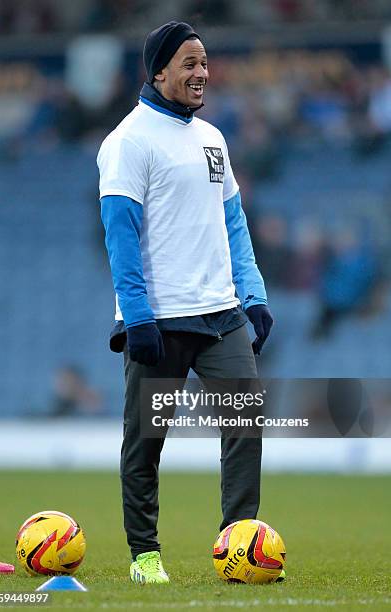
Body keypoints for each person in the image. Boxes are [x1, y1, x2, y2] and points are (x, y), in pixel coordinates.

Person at [97, 21, 274, 584]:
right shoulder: (128, 141)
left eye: (205, 63)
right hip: (160, 321)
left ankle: (241, 547)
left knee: (246, 424)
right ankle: (144, 555)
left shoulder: (213, 139)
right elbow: (120, 234)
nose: (202, 73)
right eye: (189, 64)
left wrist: (255, 294)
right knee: (146, 443)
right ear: (158, 72)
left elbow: (234, 224)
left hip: (220, 314)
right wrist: (138, 314)